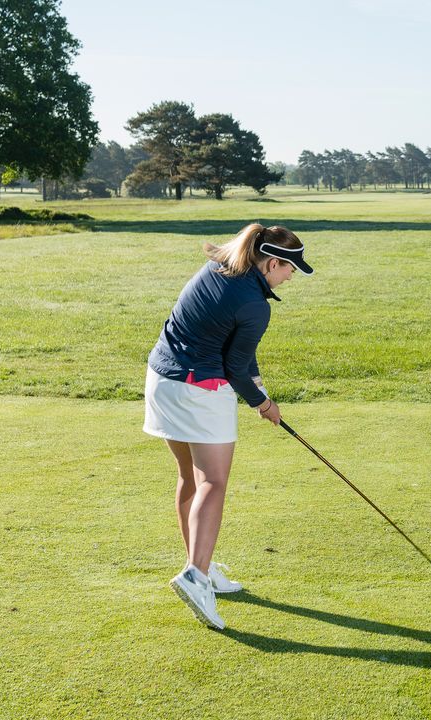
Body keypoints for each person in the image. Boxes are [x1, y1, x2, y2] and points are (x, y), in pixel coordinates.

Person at [142, 223, 312, 629]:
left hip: (161, 380)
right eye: (290, 268)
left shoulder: (217, 269)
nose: (292, 276)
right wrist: (264, 404)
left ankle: (197, 566)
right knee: (213, 483)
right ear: (272, 262)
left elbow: (237, 351)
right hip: (199, 390)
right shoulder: (257, 305)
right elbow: (236, 365)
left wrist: (260, 393)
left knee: (190, 476)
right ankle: (196, 576)